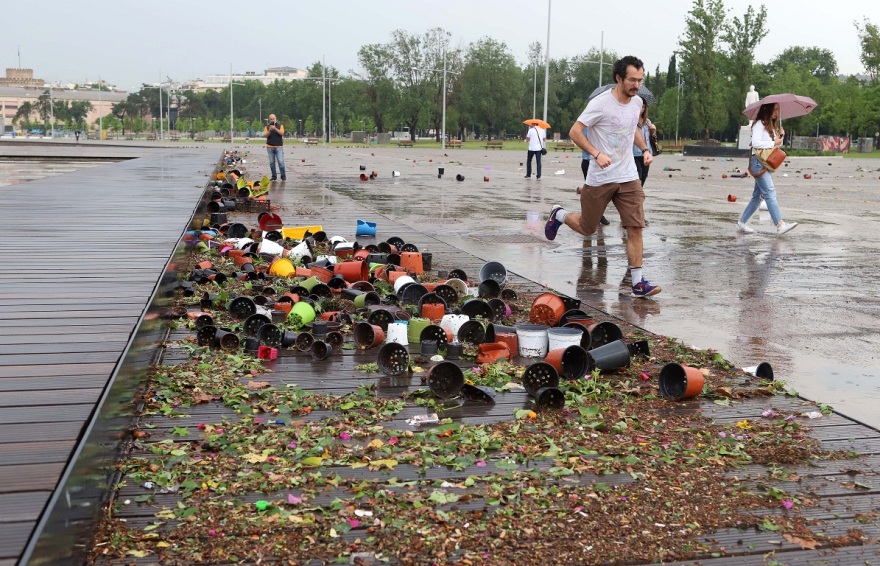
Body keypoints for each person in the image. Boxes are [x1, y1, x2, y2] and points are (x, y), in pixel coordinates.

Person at [545, 55, 660, 298]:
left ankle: (638, 283)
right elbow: (575, 132)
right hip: (600, 176)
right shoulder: (600, 104)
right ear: (618, 78)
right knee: (587, 228)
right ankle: (560, 214)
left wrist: (646, 149)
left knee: (635, 227)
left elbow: (632, 132)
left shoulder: (637, 103)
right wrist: (596, 154)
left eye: (640, 80)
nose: (636, 85)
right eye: (631, 79)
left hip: (628, 175)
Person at [737, 102, 798, 235]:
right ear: (768, 110)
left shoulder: (771, 126)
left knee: (757, 197)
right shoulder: (760, 124)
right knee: (770, 192)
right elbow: (756, 143)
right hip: (758, 163)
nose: (777, 113)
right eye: (775, 109)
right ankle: (780, 224)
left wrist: (781, 135)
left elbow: (776, 144)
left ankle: (742, 222)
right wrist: (774, 142)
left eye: (778, 110)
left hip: (763, 163)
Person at [578, 127, 610, 226]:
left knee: (601, 192)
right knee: (592, 193)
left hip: (601, 162)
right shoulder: (585, 127)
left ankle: (599, 214)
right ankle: (591, 215)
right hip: (589, 161)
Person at [633, 101, 655, 186]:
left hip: (646, 153)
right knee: (638, 177)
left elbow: (651, 139)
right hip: (635, 153)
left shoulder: (647, 122)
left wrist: (653, 132)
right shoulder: (632, 122)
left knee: (643, 177)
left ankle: (637, 196)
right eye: (640, 106)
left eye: (643, 107)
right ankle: (636, 196)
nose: (641, 109)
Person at [264, 114, 286, 182]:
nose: (272, 120)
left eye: (273, 118)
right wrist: (270, 130)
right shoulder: (267, 127)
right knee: (272, 163)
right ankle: (274, 176)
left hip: (279, 146)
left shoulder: (280, 126)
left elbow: (282, 133)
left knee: (281, 162)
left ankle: (283, 176)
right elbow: (266, 136)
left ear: (276, 118)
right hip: (270, 147)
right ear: (269, 119)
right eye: (271, 119)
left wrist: (275, 128)